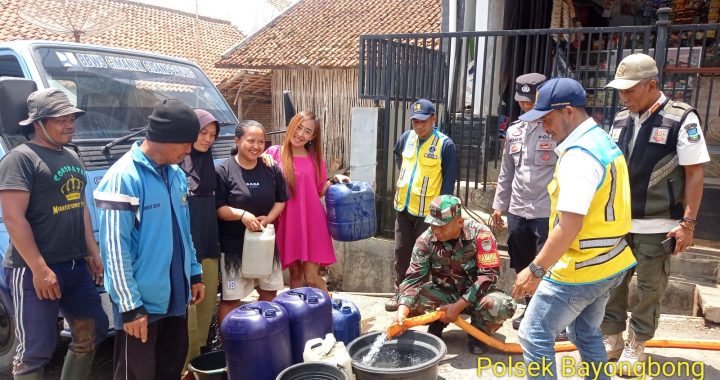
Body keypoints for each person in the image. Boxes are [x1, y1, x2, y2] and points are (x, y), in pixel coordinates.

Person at [512, 78, 636, 380]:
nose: (545, 127)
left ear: (568, 111)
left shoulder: (580, 155)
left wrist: (535, 270)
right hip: (610, 263)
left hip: (582, 268)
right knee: (584, 331)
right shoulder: (601, 140)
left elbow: (569, 227)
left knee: (534, 333)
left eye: (548, 119)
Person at [601, 53, 710, 372]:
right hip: (619, 224)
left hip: (658, 225)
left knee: (649, 289)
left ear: (651, 85)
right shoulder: (620, 119)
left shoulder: (681, 118)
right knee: (613, 284)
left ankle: (637, 343)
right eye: (620, 90)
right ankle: (613, 337)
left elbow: (695, 173)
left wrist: (688, 224)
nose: (623, 96)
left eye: (629, 90)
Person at [0, 88, 108, 379]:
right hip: (33, 272)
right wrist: (39, 268)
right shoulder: (20, 159)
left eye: (72, 117)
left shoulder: (72, 156)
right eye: (61, 119)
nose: (70, 124)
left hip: (74, 266)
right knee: (36, 349)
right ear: (38, 123)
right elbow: (13, 217)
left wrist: (92, 250)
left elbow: (80, 207)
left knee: (92, 330)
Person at [94, 98, 205, 380]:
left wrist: (193, 274)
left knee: (169, 369)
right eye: (185, 142)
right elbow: (115, 252)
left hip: (175, 298)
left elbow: (184, 229)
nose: (189, 149)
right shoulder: (123, 178)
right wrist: (130, 308)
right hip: (142, 305)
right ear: (165, 138)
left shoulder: (176, 174)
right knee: (137, 374)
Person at [393, 195, 516, 355]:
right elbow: (413, 278)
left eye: (441, 226)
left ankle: (478, 334)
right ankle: (436, 323)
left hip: (478, 296)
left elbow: (488, 276)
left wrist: (458, 307)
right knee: (409, 300)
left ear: (459, 222)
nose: (436, 230)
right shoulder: (426, 239)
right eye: (432, 224)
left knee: (500, 305)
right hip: (444, 294)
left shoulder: (481, 235)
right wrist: (402, 312)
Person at [491, 73, 557, 331]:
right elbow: (507, 171)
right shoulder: (514, 130)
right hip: (518, 208)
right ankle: (530, 305)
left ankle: (543, 313)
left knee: (544, 262)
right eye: (522, 102)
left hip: (545, 209)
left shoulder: (554, 128)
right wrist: (499, 205)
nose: (527, 106)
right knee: (522, 260)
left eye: (531, 101)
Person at [386, 99, 457, 312]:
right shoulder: (406, 138)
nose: (419, 126)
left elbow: (448, 183)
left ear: (433, 119)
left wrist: (442, 216)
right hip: (404, 208)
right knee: (401, 252)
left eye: (424, 121)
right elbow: (398, 155)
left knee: (424, 257)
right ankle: (400, 293)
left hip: (428, 214)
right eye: (415, 121)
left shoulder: (445, 145)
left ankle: (418, 298)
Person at [265, 111, 349, 294]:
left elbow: (319, 190)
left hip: (312, 222)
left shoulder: (315, 159)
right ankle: (299, 316)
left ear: (313, 136)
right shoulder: (273, 153)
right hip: (287, 221)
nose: (301, 133)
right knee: (295, 274)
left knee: (311, 277)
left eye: (307, 131)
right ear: (291, 125)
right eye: (299, 127)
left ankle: (327, 309)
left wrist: (335, 180)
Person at [215, 120, 288, 325]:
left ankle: (267, 335)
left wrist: (270, 217)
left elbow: (281, 199)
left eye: (260, 142)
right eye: (250, 141)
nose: (256, 146)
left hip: (265, 243)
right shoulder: (223, 170)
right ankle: (228, 346)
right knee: (231, 299)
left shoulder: (270, 168)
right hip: (234, 246)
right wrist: (241, 214)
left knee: (269, 293)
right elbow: (218, 208)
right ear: (237, 140)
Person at [179, 109, 221, 370]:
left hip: (207, 242)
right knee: (187, 313)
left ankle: (198, 365)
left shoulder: (209, 164)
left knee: (205, 309)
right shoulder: (174, 166)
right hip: (185, 247)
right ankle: (184, 366)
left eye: (213, 135)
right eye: (202, 132)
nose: (207, 139)